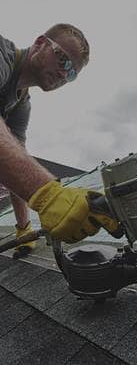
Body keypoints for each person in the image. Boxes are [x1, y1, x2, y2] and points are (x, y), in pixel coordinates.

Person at [0, 23, 123, 258]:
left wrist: (23, 227)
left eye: (72, 73)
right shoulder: (1, 54)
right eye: (63, 59)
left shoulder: (20, 105)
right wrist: (47, 195)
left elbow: (15, 160)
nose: (64, 74)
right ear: (40, 43)